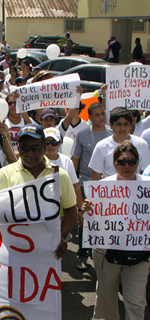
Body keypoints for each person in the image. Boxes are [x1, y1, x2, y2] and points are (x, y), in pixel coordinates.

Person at [82, 141, 150, 320]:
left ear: (138, 162)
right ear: (114, 163)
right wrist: (87, 208)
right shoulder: (102, 187)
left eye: (131, 161)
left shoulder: (148, 187)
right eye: (121, 161)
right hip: (107, 253)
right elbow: (92, 220)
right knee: (106, 298)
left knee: (136, 302)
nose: (126, 165)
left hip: (140, 254)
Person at [0, 123, 78, 260]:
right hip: (14, 248)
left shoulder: (59, 175)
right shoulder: (4, 174)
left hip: (48, 250)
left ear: (44, 148)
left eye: (36, 148)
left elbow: (71, 209)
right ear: (18, 149)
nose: (30, 153)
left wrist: (61, 237)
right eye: (25, 148)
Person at [71, 102, 112, 269]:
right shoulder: (82, 135)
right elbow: (75, 161)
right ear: (90, 117)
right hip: (86, 185)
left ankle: (105, 255)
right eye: (97, 114)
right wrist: (73, 186)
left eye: (103, 113)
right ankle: (83, 254)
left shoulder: (112, 134)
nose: (101, 117)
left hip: (108, 188)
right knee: (85, 220)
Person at [89, 107, 150, 180]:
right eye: (119, 124)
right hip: (110, 190)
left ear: (131, 125)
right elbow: (95, 178)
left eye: (126, 124)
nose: (122, 128)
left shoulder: (142, 144)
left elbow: (145, 175)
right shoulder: (101, 146)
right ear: (111, 125)